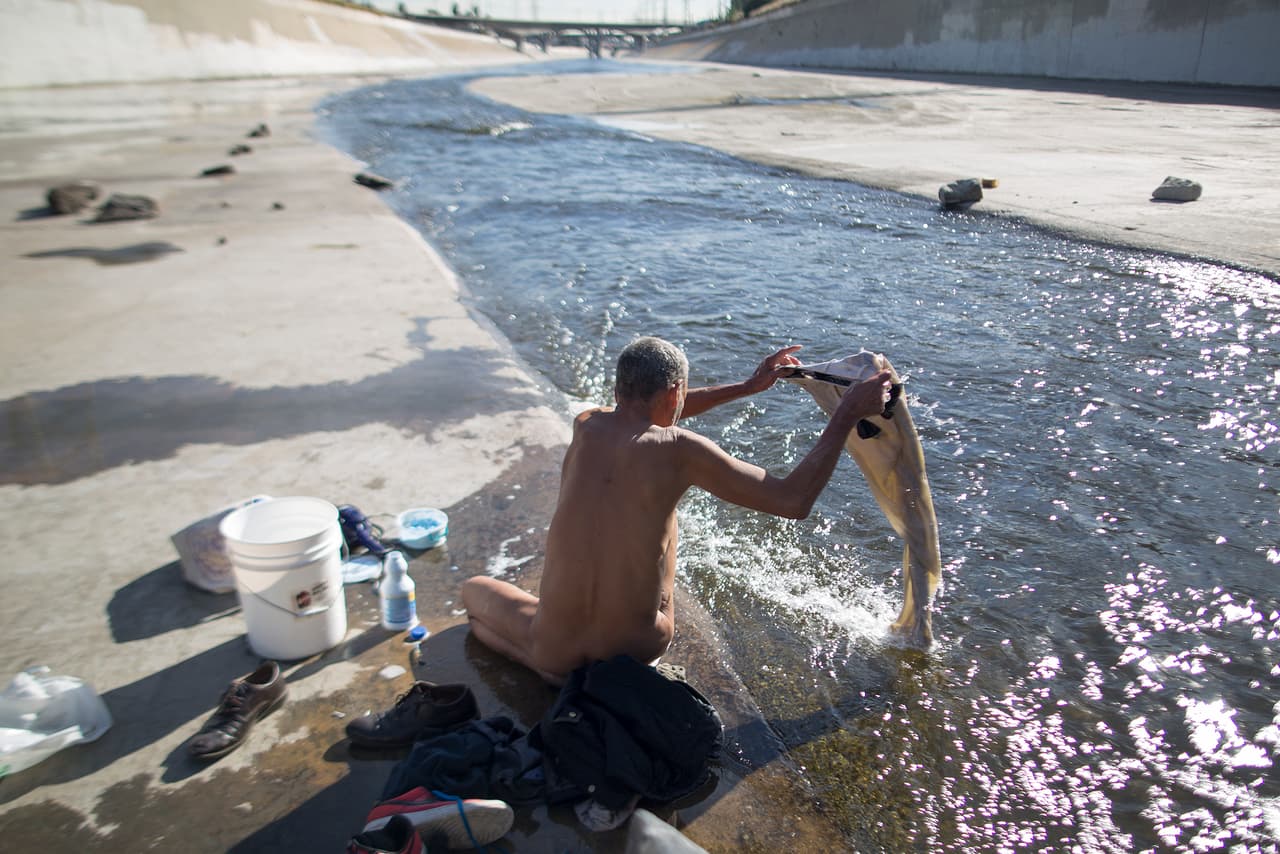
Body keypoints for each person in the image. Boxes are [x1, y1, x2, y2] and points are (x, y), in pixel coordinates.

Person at [461, 337, 892, 685]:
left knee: (474, 596)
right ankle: (589, 674)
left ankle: (552, 671)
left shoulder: (587, 423)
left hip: (552, 645)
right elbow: (792, 501)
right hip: (637, 647)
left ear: (617, 391)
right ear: (675, 393)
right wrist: (846, 413)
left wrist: (745, 388)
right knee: (664, 512)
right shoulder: (680, 451)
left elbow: (652, 412)